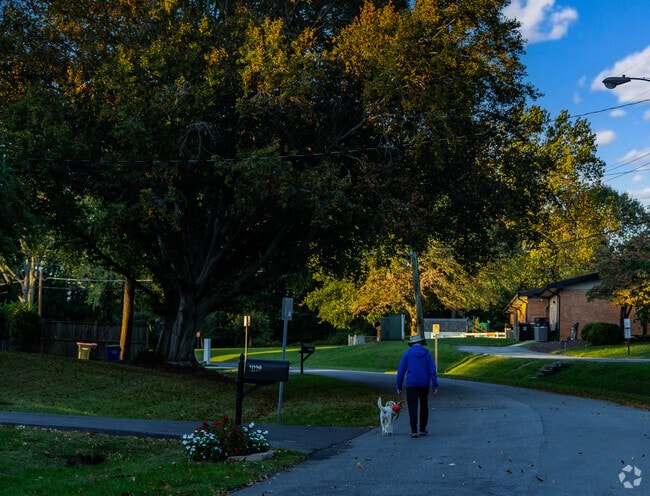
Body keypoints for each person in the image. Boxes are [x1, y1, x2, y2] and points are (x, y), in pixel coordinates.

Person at [396, 334, 438, 438]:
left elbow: (401, 371)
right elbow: (432, 370)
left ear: (412, 344)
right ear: (421, 343)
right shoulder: (427, 354)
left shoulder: (407, 353)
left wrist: (399, 386)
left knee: (412, 406)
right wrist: (435, 386)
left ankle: (414, 430)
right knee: (424, 405)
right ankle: (422, 429)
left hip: (411, 384)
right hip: (424, 383)